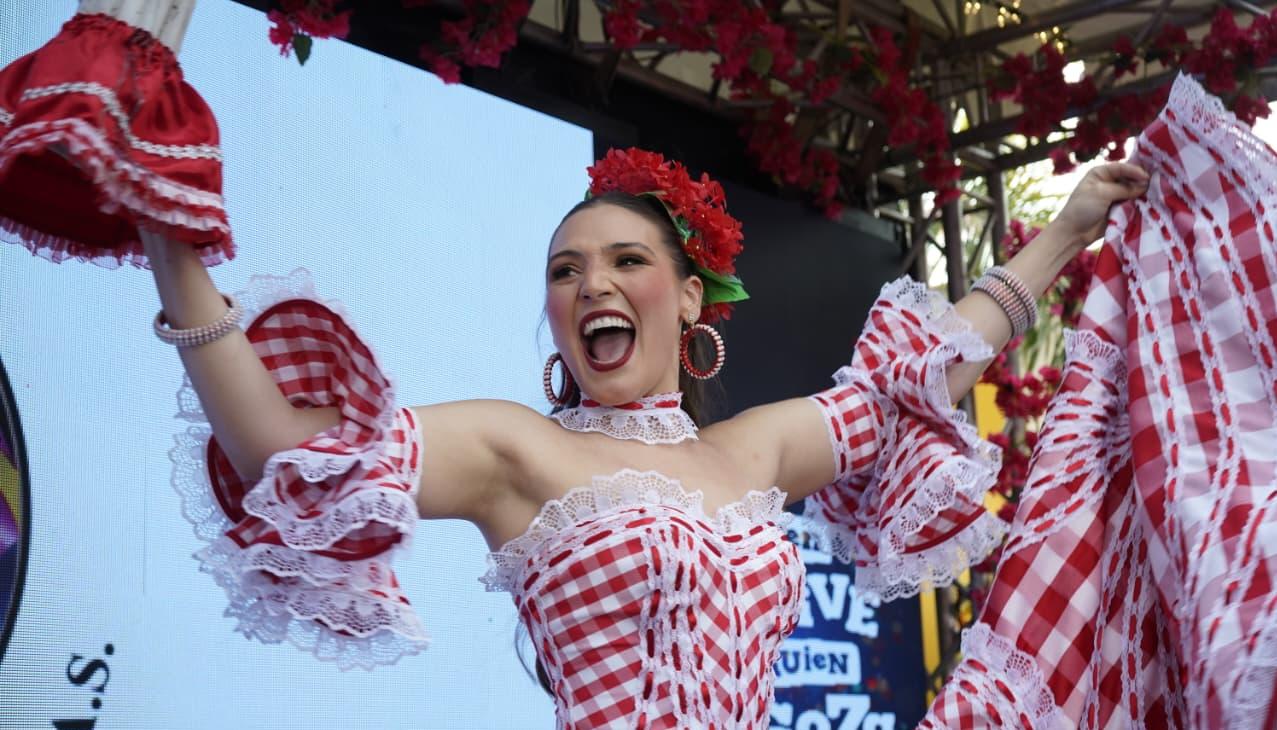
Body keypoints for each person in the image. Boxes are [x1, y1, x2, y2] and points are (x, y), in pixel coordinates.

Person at [0, 2, 1149, 727]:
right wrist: (170, 238)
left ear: (688, 296)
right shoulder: (519, 451)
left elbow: (926, 372)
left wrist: (1065, 228)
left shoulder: (747, 452)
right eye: (564, 270)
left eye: (622, 261)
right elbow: (279, 450)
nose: (590, 285)